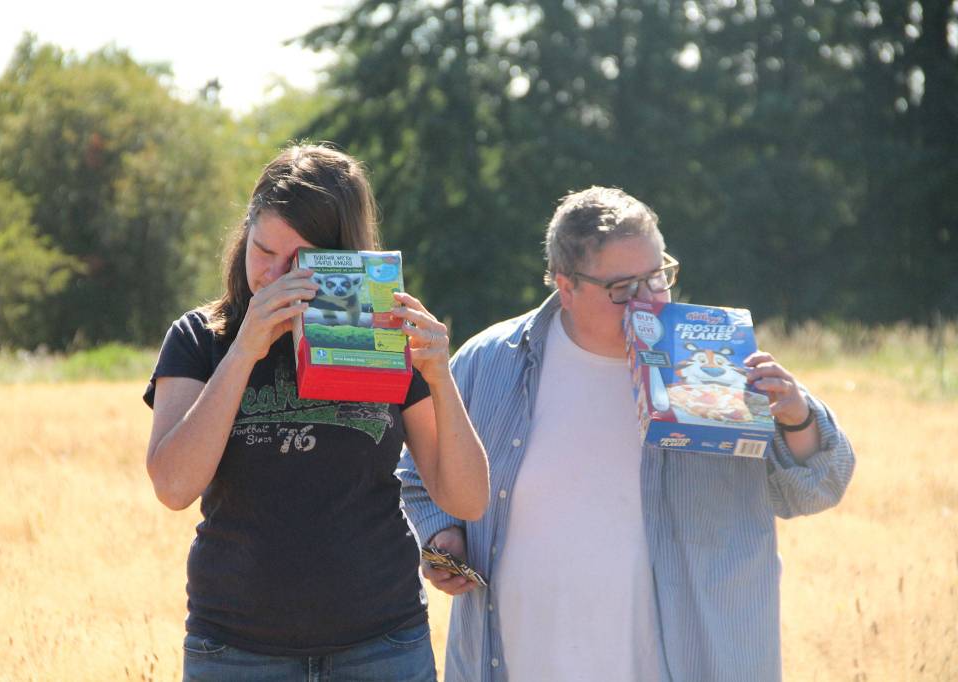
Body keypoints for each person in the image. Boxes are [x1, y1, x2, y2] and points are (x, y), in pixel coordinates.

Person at [398, 186, 856, 682]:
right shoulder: (489, 362)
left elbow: (818, 487)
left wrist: (796, 416)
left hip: (693, 664)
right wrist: (443, 535)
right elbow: (418, 476)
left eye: (658, 276)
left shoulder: (714, 361)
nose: (650, 300)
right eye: (623, 288)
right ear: (566, 286)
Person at [144, 143, 489, 682]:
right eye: (263, 250)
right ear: (245, 233)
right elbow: (172, 486)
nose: (274, 275)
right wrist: (244, 350)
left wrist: (440, 377)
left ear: (342, 259)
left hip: (382, 645)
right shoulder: (200, 337)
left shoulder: (383, 334)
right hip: (236, 649)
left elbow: (466, 498)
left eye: (298, 262)